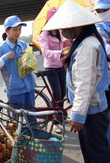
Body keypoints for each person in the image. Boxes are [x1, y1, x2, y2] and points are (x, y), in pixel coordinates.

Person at [43, 0, 110, 162]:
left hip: (91, 111)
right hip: (94, 108)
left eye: (66, 26)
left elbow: (84, 84)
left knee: (96, 156)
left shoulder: (86, 46)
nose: (63, 31)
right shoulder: (86, 42)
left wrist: (78, 116)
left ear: (77, 26)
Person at [0, 15, 37, 124]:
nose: (17, 32)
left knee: (32, 116)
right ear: (7, 31)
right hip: (15, 90)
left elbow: (33, 63)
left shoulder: (23, 44)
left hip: (29, 87)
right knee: (18, 120)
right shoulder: (2, 48)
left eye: (19, 29)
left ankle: (34, 138)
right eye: (14, 30)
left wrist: (29, 56)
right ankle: (20, 140)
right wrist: (5, 57)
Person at [38, 7, 72, 133]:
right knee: (56, 95)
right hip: (51, 68)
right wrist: (60, 52)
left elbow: (66, 44)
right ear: (49, 20)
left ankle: (61, 116)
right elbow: (45, 52)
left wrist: (71, 41)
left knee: (63, 93)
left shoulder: (60, 31)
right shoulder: (44, 35)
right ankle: (55, 121)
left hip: (61, 66)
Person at [93, 0, 110, 147]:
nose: (101, 14)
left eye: (104, 10)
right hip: (106, 79)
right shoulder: (99, 29)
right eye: (98, 11)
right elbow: (106, 50)